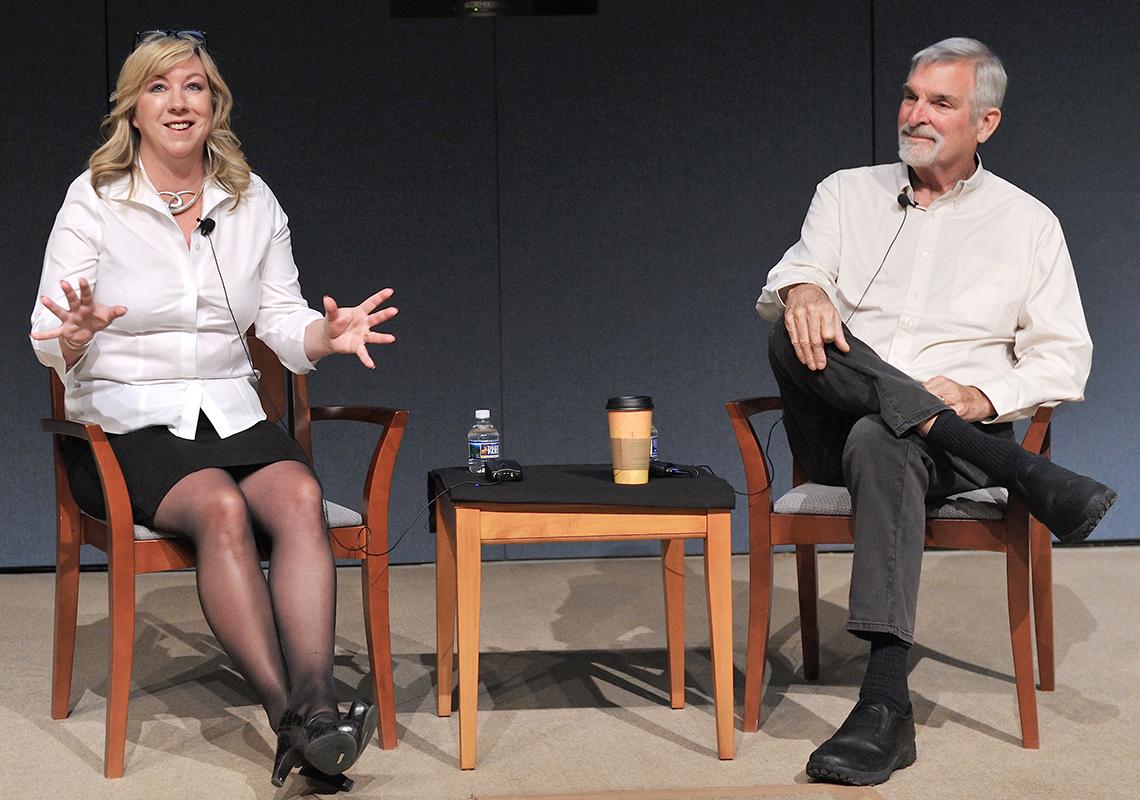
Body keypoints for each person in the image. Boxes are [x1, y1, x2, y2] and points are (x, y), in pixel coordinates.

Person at [29, 30, 397, 789]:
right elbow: (44, 330)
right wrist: (71, 333)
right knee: (221, 508)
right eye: (158, 88)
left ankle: (317, 707)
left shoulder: (251, 198)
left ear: (213, 103)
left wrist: (325, 336)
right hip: (124, 426)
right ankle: (290, 716)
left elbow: (282, 322)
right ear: (133, 108)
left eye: (193, 87)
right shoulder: (94, 198)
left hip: (229, 416)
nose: (177, 103)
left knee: (296, 493)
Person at [756, 38, 1116, 786]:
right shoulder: (846, 192)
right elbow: (800, 268)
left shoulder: (1028, 224)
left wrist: (983, 398)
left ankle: (883, 705)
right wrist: (805, 291)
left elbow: (1061, 357)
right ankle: (1016, 469)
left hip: (945, 447)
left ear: (985, 123)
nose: (916, 115)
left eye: (940, 104)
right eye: (911, 96)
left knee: (879, 436)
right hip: (851, 432)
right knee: (794, 337)